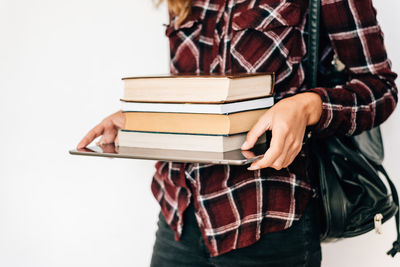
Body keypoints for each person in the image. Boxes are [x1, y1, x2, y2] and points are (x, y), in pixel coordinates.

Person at [77, 0, 398, 266]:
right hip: (179, 214)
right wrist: (143, 118)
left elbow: (381, 89)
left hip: (268, 219)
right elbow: (198, 95)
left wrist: (309, 106)